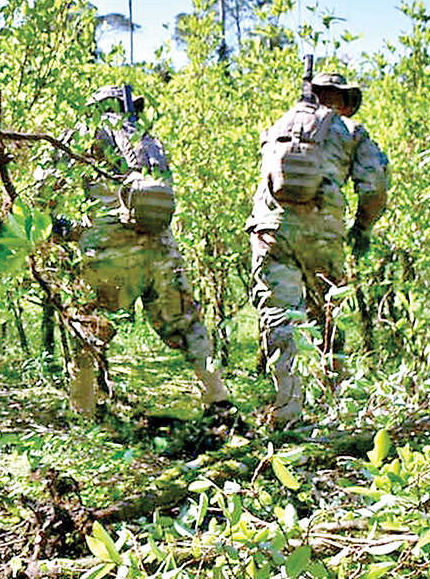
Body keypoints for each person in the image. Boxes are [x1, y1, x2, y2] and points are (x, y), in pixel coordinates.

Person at [70, 85, 231, 417]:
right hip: (160, 245)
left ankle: (82, 412)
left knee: (90, 329)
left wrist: (64, 230)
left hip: (109, 246)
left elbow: (47, 186)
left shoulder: (85, 135)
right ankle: (218, 400)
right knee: (188, 324)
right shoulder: (147, 138)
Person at [246, 70, 389, 427]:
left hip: (271, 231)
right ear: (343, 102)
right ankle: (337, 403)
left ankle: (287, 411)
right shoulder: (350, 131)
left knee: (279, 319)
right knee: (327, 318)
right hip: (323, 235)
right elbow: (374, 186)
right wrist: (362, 228)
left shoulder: (280, 124)